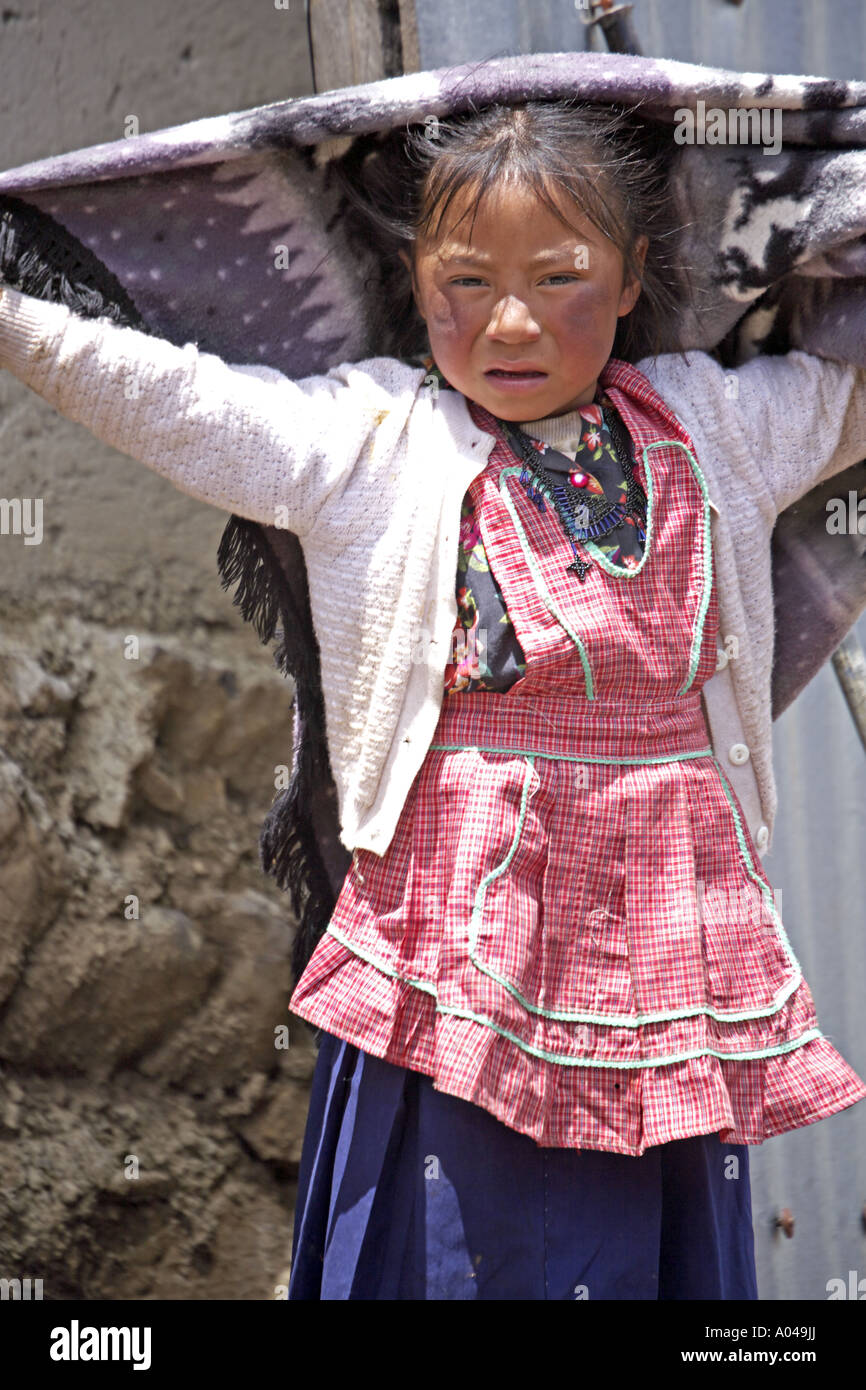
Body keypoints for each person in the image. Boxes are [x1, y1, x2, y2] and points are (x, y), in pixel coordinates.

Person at [1, 99, 865, 1302]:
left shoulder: (716, 426)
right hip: (459, 944)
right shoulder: (369, 445)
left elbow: (846, 387)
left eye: (557, 276)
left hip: (669, 941)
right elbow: (174, 398)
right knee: (454, 1246)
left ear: (629, 282)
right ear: (415, 278)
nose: (507, 322)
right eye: (465, 280)